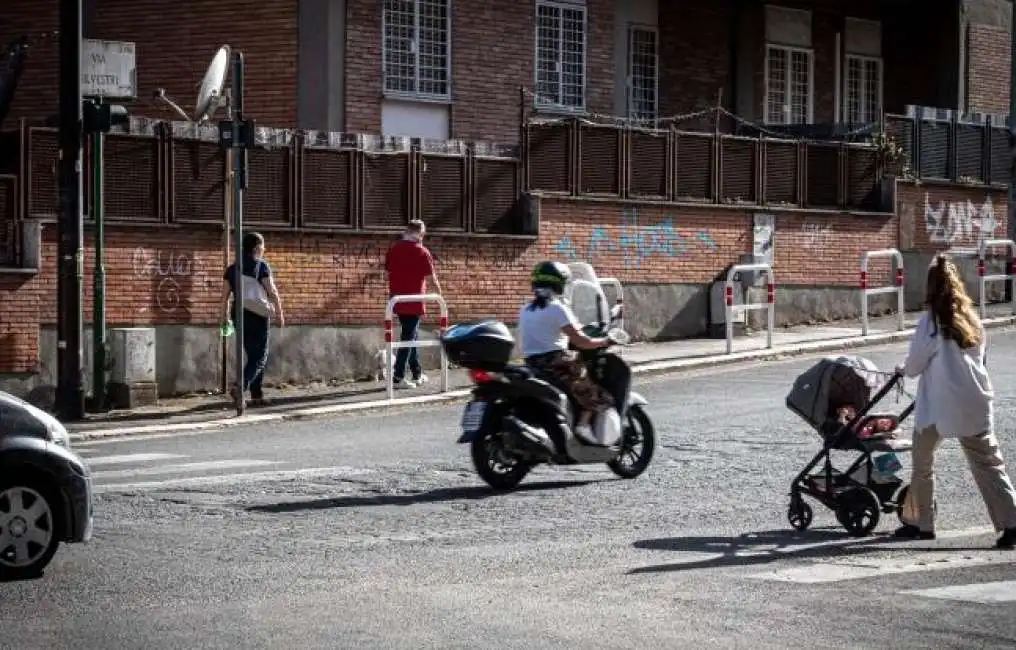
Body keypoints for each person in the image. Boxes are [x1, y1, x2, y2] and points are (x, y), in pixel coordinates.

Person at [894, 254, 1016, 549]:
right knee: (988, 463)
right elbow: (981, 359)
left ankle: (922, 523)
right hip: (974, 401)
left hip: (938, 407)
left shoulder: (929, 323)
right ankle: (1011, 523)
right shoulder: (973, 320)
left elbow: (914, 366)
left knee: (923, 462)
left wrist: (902, 370)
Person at [519, 261, 614, 444]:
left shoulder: (526, 309)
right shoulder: (557, 308)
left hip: (531, 364)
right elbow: (581, 341)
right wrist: (605, 341)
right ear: (559, 284)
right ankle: (584, 425)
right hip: (556, 363)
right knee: (597, 394)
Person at [221, 231, 285, 408]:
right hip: (258, 315)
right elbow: (272, 292)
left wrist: (224, 317)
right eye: (263, 246)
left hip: (238, 315)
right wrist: (280, 313)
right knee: (260, 357)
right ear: (257, 248)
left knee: (253, 355)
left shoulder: (232, 268)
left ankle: (257, 395)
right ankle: (241, 387)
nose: (264, 249)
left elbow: (225, 296)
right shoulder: (261, 266)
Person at [385, 220, 442, 389]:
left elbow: (388, 269)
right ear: (420, 233)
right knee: (408, 338)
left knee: (412, 335)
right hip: (414, 300)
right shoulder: (422, 252)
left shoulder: (394, 248)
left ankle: (417, 372)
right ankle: (398, 376)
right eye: (423, 234)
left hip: (397, 299)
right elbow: (432, 279)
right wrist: (440, 297)